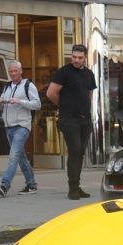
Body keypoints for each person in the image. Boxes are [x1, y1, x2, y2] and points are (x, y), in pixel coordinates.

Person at [46, 44, 97, 199]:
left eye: (79, 58)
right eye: (74, 57)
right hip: (69, 119)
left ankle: (77, 185)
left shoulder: (89, 74)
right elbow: (51, 93)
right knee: (74, 150)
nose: (76, 60)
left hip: (85, 119)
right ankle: (72, 188)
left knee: (80, 152)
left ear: (85, 58)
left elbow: (89, 94)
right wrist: (63, 106)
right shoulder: (64, 72)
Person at [0, 60, 41, 197]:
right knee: (21, 158)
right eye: (11, 71)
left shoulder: (28, 85)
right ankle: (31, 184)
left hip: (22, 126)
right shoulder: (7, 87)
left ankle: (5, 185)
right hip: (9, 127)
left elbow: (37, 104)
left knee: (13, 156)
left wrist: (20, 101)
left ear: (21, 71)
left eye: (16, 71)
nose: (13, 73)